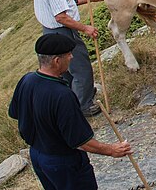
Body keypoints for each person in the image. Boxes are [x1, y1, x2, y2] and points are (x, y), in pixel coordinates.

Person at [9, 34, 132, 189]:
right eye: (68, 54)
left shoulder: (26, 80)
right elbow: (81, 142)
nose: (72, 57)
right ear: (56, 61)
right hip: (64, 162)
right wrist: (112, 150)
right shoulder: (62, 95)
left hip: (38, 157)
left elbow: (15, 113)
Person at [33, 0, 103, 117]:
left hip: (49, 32)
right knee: (80, 68)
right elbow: (61, 16)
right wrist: (85, 28)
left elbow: (65, 4)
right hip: (63, 32)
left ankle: (73, 100)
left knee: (64, 71)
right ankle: (83, 106)